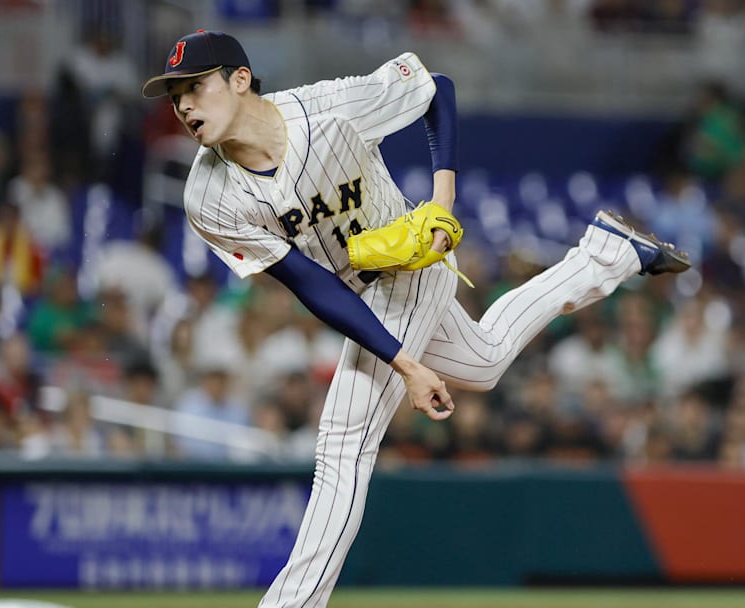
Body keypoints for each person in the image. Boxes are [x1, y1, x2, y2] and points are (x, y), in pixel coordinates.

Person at [141, 29, 690, 607]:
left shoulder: (329, 108)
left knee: (343, 444)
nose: (182, 106)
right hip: (354, 290)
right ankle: (609, 253)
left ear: (241, 79)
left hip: (412, 264)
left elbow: (437, 90)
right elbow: (311, 285)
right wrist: (404, 363)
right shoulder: (209, 197)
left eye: (194, 87)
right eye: (174, 95)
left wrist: (440, 206)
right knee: (484, 360)